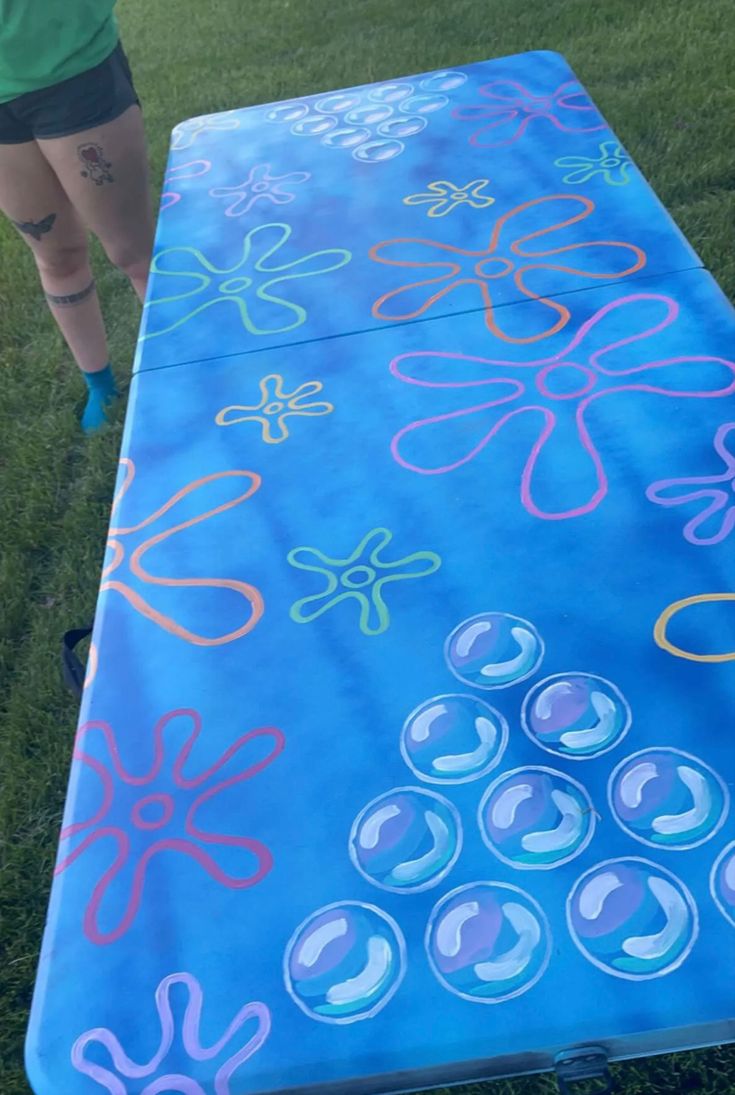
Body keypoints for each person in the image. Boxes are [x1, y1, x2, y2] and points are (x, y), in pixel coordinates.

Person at [0, 1, 154, 432]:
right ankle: (100, 385)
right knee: (57, 256)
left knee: (135, 254)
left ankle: (190, 365)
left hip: (72, 66)